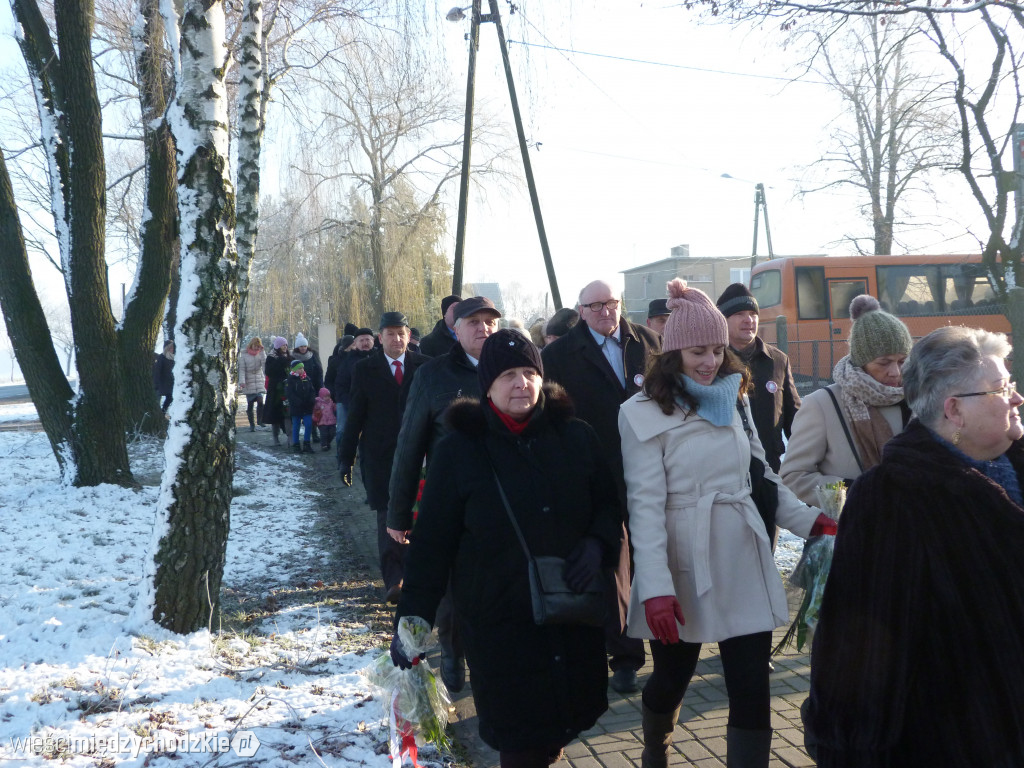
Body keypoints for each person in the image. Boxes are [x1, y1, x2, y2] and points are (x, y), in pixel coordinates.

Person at [618, 279, 829, 768]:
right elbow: (645, 506)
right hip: (681, 561)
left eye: (716, 349)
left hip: (743, 550)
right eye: (698, 351)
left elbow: (763, 478)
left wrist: (814, 523)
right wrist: (654, 588)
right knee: (673, 677)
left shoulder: (733, 398)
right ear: (672, 354)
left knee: (752, 683)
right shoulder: (640, 413)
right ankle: (656, 745)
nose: (711, 361)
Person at [392, 329, 622, 768]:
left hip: (570, 614)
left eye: (529, 373)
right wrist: (412, 620)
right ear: (488, 386)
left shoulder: (576, 437)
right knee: (520, 742)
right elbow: (432, 543)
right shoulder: (460, 451)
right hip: (500, 621)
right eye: (508, 375)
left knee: (557, 728)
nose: (521, 384)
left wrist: (597, 544)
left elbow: (609, 506)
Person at [805, 325, 1024, 767]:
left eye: (1013, 383)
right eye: (1001, 388)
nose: (1016, 397)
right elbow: (863, 647)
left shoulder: (1013, 466)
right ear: (954, 410)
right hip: (961, 739)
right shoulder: (892, 497)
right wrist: (852, 748)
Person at [542, 279, 661, 695]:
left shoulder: (646, 341)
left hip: (649, 463)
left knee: (656, 552)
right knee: (615, 562)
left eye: (612, 303)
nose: (607, 311)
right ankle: (625, 655)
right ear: (582, 310)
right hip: (595, 469)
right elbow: (551, 418)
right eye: (596, 306)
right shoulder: (558, 354)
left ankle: (666, 641)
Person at [387, 296, 502, 692]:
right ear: (456, 328)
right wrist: (398, 514)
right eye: (474, 322)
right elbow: (409, 445)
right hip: (451, 504)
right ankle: (453, 654)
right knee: (452, 591)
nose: (483, 329)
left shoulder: (512, 370)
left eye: (490, 322)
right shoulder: (434, 375)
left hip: (506, 502)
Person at [780, 295, 913, 505]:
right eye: (884, 362)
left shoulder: (920, 400)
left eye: (902, 361)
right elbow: (794, 477)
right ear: (862, 362)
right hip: (853, 529)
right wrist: (853, 493)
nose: (895, 372)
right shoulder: (823, 405)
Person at [339, 312, 428, 604]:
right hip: (380, 457)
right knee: (386, 517)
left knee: (417, 515)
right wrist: (346, 457)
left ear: (408, 336)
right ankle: (394, 580)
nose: (397, 339)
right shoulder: (366, 369)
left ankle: (418, 575)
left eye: (401, 333)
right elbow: (355, 417)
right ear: (380, 338)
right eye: (390, 334)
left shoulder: (425, 366)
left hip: (420, 456)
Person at [716, 283, 801, 474]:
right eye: (739, 314)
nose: (749, 320)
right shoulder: (712, 362)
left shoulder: (778, 360)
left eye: (753, 314)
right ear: (723, 320)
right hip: (726, 471)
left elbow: (794, 418)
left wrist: (802, 463)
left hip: (771, 469)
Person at [333, 328, 375, 462]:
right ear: (355, 343)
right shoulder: (348, 361)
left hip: (374, 404)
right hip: (349, 403)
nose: (365, 343)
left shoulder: (380, 358)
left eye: (367, 339)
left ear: (373, 341)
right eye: (361, 340)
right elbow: (340, 384)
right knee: (343, 431)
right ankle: (342, 455)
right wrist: (349, 402)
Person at [264, 336, 292, 446]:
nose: (284, 347)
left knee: (287, 414)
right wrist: (280, 361)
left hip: (287, 388)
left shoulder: (290, 357)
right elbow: (269, 372)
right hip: (275, 389)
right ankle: (275, 437)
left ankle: (290, 436)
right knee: (274, 414)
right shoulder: (271, 357)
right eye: (282, 345)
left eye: (285, 345)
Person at [286, 360, 316, 453]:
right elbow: (289, 393)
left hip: (307, 406)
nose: (301, 370)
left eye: (302, 368)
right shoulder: (290, 379)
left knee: (308, 424)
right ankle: (296, 444)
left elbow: (312, 391)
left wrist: (311, 400)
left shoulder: (307, 378)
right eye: (299, 368)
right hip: (296, 407)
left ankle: (307, 443)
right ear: (294, 369)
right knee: (296, 425)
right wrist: (298, 402)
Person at [238, 336, 267, 432]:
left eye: (258, 346)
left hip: (259, 380)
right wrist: (242, 381)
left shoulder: (260, 354)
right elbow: (241, 370)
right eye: (255, 346)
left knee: (260, 401)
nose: (256, 348)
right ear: (251, 345)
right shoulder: (244, 355)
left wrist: (262, 352)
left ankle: (260, 420)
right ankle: (252, 424)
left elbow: (264, 365)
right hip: (248, 381)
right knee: (250, 404)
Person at [153, 340, 175, 413]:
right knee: (157, 401)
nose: (172, 349)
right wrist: (156, 384)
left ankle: (163, 412)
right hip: (162, 383)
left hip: (170, 383)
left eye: (173, 347)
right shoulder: (161, 357)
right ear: (167, 348)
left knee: (170, 398)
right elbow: (157, 371)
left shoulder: (175, 358)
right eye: (170, 348)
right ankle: (157, 414)